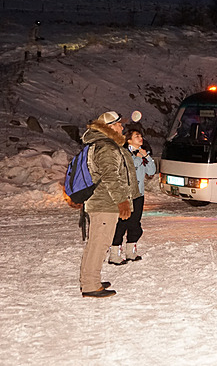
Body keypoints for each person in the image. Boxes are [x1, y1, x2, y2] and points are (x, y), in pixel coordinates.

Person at [79, 111, 137, 298]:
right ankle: (90, 285)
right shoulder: (106, 147)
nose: (122, 127)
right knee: (99, 244)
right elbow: (111, 176)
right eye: (119, 124)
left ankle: (89, 279)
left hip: (103, 202)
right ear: (110, 126)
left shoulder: (104, 144)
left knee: (96, 242)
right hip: (105, 203)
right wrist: (122, 201)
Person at [108, 126, 156, 264]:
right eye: (136, 136)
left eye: (141, 136)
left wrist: (145, 156)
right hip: (126, 194)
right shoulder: (123, 153)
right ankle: (114, 254)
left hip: (139, 194)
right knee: (122, 222)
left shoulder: (142, 153)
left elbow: (151, 171)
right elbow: (128, 169)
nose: (140, 138)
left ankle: (131, 251)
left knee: (135, 223)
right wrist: (137, 157)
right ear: (129, 140)